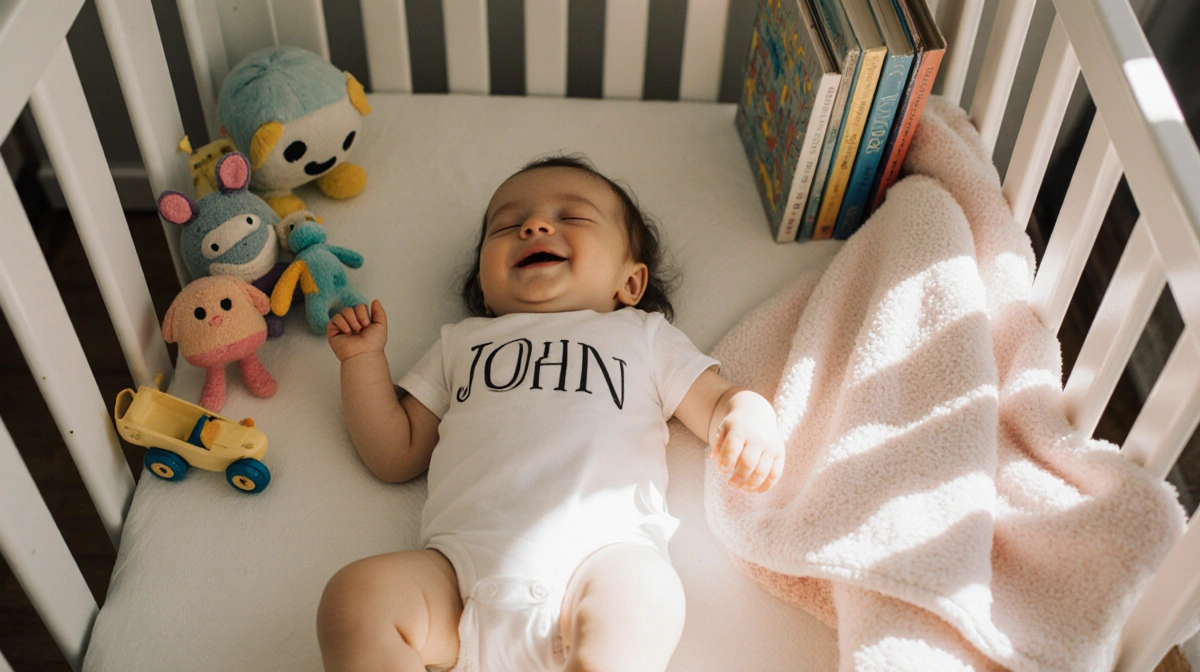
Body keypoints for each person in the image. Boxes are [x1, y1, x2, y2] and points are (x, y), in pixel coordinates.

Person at [316, 156, 785, 672]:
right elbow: (394, 453)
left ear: (630, 284)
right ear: (486, 290)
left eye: (573, 217)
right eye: (506, 225)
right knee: (354, 597)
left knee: (646, 593)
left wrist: (750, 417)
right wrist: (362, 365)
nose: (534, 226)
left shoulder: (642, 336)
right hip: (458, 577)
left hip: (601, 561)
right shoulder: (462, 343)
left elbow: (717, 400)